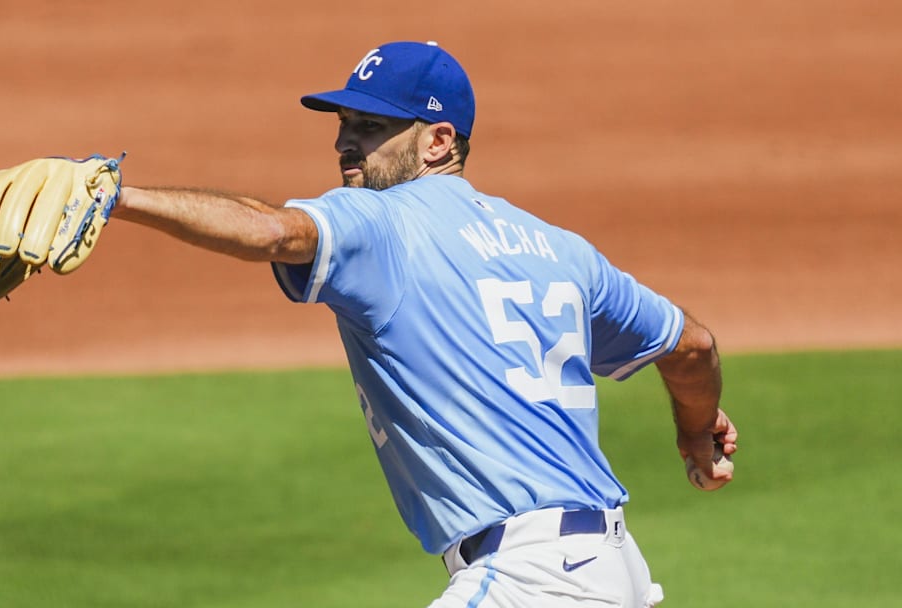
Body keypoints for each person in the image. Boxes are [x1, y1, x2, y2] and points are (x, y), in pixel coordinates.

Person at [112, 41, 737, 608]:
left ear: (438, 141)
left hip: (532, 580)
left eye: (370, 127)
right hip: (614, 568)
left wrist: (119, 198)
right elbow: (691, 346)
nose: (344, 143)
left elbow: (273, 229)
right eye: (343, 125)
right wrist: (695, 430)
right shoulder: (560, 249)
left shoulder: (383, 222)